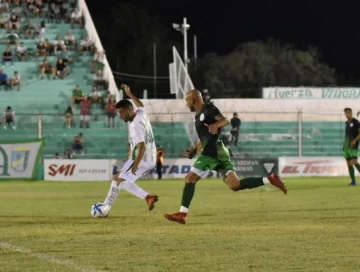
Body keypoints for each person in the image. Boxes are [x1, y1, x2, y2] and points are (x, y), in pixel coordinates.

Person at [164, 89, 287, 224]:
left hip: (212, 151)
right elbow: (205, 139)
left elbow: (225, 121)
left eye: (187, 101)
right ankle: (270, 179)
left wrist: (216, 124)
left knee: (190, 178)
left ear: (193, 99)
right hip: (219, 150)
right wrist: (194, 150)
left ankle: (182, 214)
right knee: (235, 185)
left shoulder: (208, 109)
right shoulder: (198, 117)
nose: (186, 104)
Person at [101, 84, 158, 216]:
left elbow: (142, 146)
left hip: (142, 158)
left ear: (128, 110)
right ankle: (106, 207)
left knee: (122, 181)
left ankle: (147, 197)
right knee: (117, 179)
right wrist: (130, 94)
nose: (120, 115)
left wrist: (136, 165)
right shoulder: (140, 113)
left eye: (121, 112)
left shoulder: (135, 126)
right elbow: (141, 105)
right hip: (149, 158)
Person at [343, 108, 360, 186]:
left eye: (348, 113)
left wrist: (355, 140)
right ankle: (353, 181)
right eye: (345, 113)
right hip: (347, 145)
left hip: (354, 145)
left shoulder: (356, 122)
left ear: (351, 113)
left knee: (354, 161)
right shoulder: (346, 123)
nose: (347, 115)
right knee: (349, 163)